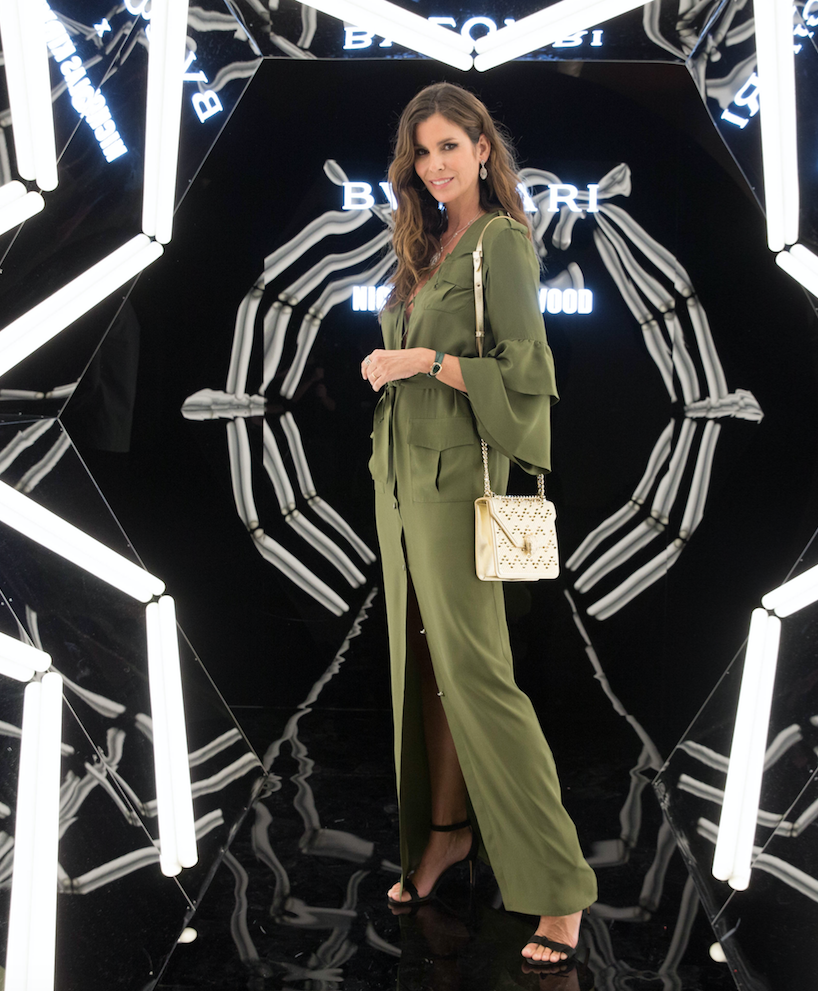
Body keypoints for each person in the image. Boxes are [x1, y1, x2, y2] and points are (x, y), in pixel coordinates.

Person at [360, 82, 597, 966]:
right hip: (400, 483)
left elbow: (528, 373)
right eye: (422, 152)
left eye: (449, 146)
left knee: (479, 677)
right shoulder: (426, 245)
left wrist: (421, 359)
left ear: (483, 149)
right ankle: (447, 833)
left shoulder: (501, 241)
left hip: (460, 485)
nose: (435, 165)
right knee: (424, 672)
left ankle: (560, 888)